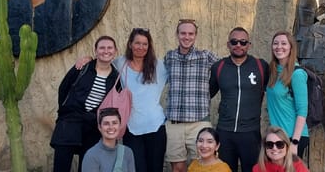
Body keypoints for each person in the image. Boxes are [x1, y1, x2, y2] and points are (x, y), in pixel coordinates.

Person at [51, 36, 121, 172]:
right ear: (96, 51)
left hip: (92, 125)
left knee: (87, 167)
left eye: (109, 48)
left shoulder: (115, 78)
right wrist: (66, 111)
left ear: (115, 51)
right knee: (61, 166)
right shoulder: (83, 68)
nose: (105, 51)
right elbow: (63, 88)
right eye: (102, 48)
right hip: (70, 122)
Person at [209, 27, 269, 172]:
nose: (238, 45)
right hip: (224, 132)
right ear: (228, 44)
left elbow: (276, 92)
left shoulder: (261, 66)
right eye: (234, 41)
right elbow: (206, 95)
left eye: (243, 42)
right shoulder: (219, 67)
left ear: (249, 45)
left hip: (251, 133)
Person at [165, 19, 220, 172]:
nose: (186, 37)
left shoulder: (206, 56)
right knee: (177, 167)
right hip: (174, 123)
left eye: (191, 33)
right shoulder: (169, 57)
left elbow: (227, 68)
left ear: (195, 36)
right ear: (177, 35)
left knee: (204, 165)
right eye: (183, 33)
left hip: (199, 122)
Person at [115, 28, 168, 172]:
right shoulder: (120, 63)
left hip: (156, 126)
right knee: (137, 168)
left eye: (145, 44)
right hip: (131, 128)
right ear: (130, 44)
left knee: (155, 168)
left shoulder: (160, 66)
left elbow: (181, 72)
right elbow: (101, 63)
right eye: (137, 43)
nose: (141, 47)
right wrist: (87, 59)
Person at [265, 31, 309, 159]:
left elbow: (302, 110)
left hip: (292, 136)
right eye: (275, 43)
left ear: (291, 48)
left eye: (284, 43)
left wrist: (295, 142)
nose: (279, 47)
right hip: (276, 136)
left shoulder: (297, 74)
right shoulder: (273, 71)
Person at [82, 107, 136, 172]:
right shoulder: (91, 155)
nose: (111, 127)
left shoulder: (127, 152)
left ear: (120, 125)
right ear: (99, 127)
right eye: (106, 123)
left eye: (114, 123)